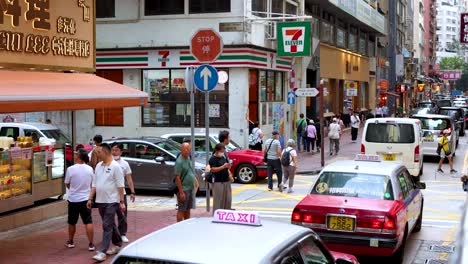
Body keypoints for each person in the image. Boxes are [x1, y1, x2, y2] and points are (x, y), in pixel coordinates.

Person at [87, 143, 125, 262]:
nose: (97, 154)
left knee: (106, 225)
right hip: (100, 201)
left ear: (105, 152)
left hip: (112, 201)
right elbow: (94, 184)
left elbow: (120, 186)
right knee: (110, 224)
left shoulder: (116, 167)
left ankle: (102, 252)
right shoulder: (98, 166)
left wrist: (121, 201)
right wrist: (90, 198)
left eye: (98, 152)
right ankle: (118, 243)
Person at [64, 149, 95, 251]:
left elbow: (67, 183)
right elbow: (92, 184)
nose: (74, 155)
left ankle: (71, 241)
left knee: (72, 222)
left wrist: (73, 189)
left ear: (79, 157)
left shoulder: (70, 169)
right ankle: (91, 244)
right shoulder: (90, 169)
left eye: (76, 154)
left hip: (73, 199)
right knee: (88, 221)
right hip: (86, 199)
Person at [111, 143, 136, 243]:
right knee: (110, 216)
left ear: (121, 151)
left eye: (116, 150)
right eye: (112, 150)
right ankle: (113, 234)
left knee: (122, 215)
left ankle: (122, 233)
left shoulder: (125, 164)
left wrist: (132, 192)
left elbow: (129, 179)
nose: (114, 152)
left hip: (122, 194)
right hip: (110, 194)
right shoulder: (107, 163)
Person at [209, 143, 233, 214]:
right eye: (221, 151)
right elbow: (212, 169)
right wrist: (223, 167)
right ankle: (217, 215)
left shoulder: (223, 157)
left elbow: (226, 166)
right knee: (218, 200)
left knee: (227, 199)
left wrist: (228, 167)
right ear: (216, 150)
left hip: (226, 181)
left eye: (223, 151)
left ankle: (226, 214)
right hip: (218, 182)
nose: (222, 153)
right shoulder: (212, 159)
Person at [175, 143, 196, 222]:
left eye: (189, 149)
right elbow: (177, 177)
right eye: (185, 149)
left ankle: (187, 223)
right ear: (181, 150)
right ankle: (179, 225)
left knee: (188, 208)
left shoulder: (188, 158)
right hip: (184, 189)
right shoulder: (179, 161)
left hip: (190, 188)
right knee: (182, 209)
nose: (187, 151)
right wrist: (181, 192)